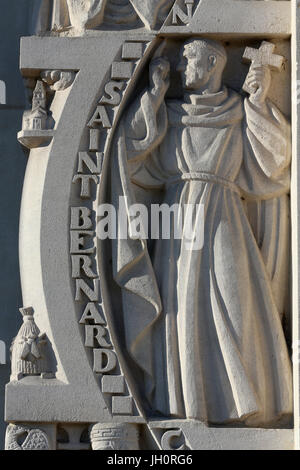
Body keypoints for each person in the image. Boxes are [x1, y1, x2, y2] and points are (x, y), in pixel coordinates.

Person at [108, 38, 292, 426]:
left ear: (212, 63)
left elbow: (275, 161)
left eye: (188, 60)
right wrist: (154, 96)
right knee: (181, 311)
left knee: (235, 303)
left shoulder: (239, 111)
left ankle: (249, 404)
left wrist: (258, 101)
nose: (180, 68)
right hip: (178, 224)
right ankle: (187, 405)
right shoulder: (171, 114)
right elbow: (130, 151)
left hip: (226, 218)